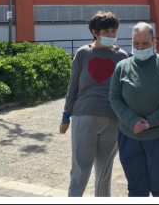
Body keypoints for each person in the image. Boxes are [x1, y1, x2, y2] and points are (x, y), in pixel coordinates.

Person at [109, 21, 159, 197]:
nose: (140, 48)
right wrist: (132, 120)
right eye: (136, 43)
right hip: (130, 136)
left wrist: (151, 121)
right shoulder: (122, 67)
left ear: (154, 42)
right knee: (136, 188)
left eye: (145, 43)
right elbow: (114, 97)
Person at [59, 11, 128, 197]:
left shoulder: (122, 56)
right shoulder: (82, 54)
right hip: (84, 116)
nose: (111, 35)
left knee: (104, 173)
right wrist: (66, 116)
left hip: (113, 119)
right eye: (106, 31)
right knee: (80, 169)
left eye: (114, 31)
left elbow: (126, 90)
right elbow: (72, 87)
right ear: (94, 32)